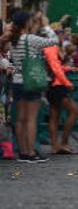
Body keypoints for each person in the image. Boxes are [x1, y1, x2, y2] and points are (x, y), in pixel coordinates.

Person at [4, 11, 58, 162]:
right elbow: (53, 41)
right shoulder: (31, 39)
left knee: (20, 119)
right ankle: (31, 152)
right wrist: (47, 26)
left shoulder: (13, 41)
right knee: (31, 119)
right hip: (30, 81)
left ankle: (22, 152)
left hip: (17, 81)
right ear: (26, 23)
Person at [45, 39, 78, 155]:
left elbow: (57, 67)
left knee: (54, 115)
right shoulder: (51, 49)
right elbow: (55, 68)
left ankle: (55, 146)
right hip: (56, 86)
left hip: (53, 85)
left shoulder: (52, 49)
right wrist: (68, 83)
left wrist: (68, 69)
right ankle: (64, 142)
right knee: (74, 111)